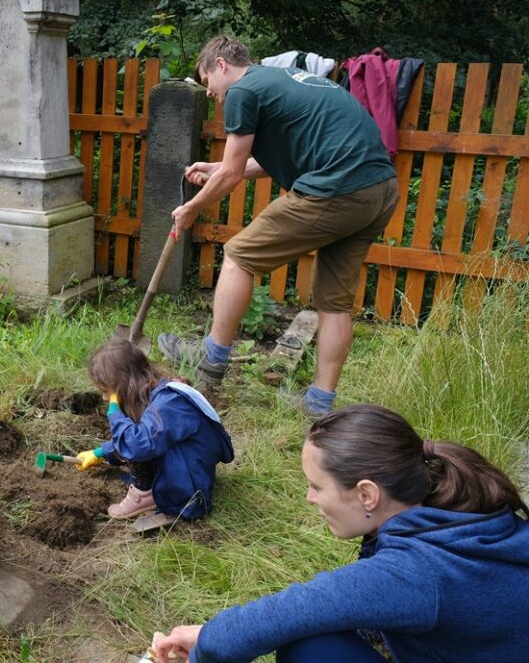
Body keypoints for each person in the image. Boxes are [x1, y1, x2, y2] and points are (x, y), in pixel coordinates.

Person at [152, 404, 529, 663]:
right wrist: (207, 634)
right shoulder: (453, 507)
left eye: (317, 486)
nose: (309, 497)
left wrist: (208, 647)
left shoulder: (415, 572)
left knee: (308, 646)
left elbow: (298, 611)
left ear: (367, 494)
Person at [159, 36, 398, 415]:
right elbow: (261, 163)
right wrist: (216, 168)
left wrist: (191, 208)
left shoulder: (243, 89)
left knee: (239, 255)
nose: (212, 95)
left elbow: (234, 173)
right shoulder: (283, 79)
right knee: (333, 302)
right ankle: (319, 405)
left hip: (337, 187)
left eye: (209, 85)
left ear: (221, 65)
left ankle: (212, 360)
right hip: (379, 190)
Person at [77, 337, 234, 532]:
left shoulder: (169, 403)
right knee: (136, 438)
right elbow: (149, 435)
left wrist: (114, 411)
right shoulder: (159, 394)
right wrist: (100, 453)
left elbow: (137, 444)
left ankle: (144, 495)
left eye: (106, 391)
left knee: (136, 445)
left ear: (124, 385)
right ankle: (155, 489)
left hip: (189, 484)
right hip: (186, 467)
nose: (104, 397)